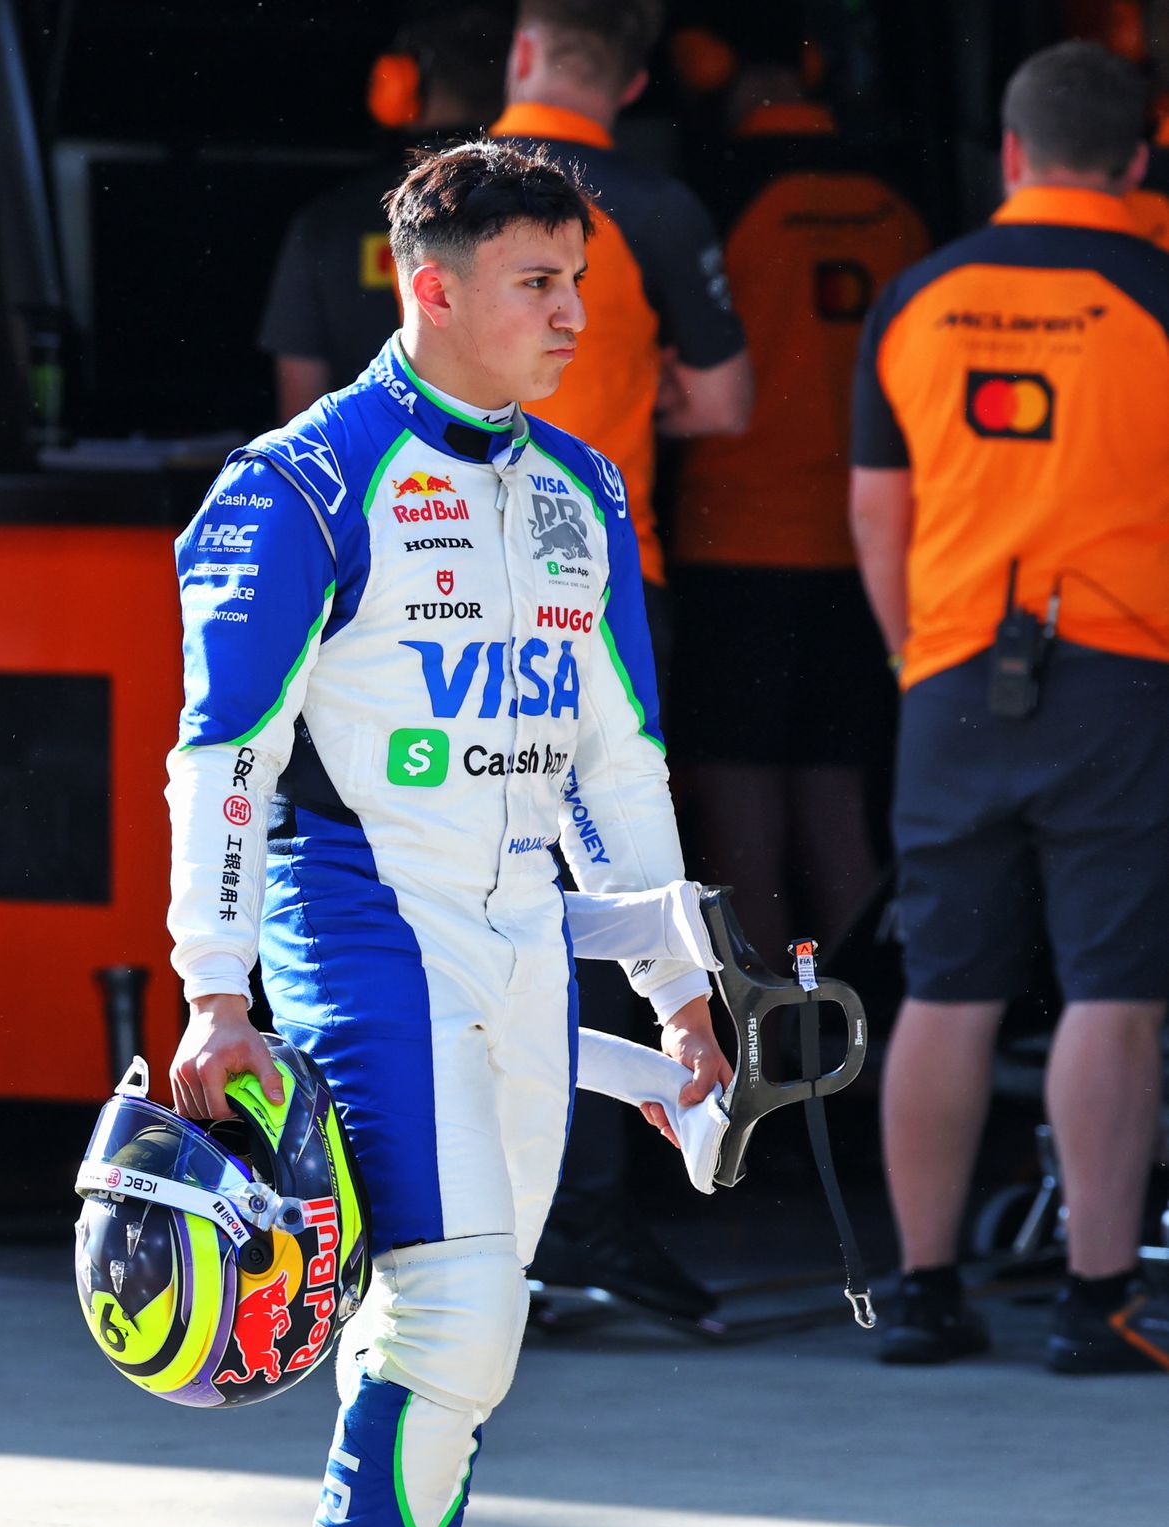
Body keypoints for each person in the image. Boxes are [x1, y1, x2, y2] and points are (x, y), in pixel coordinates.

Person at [165, 139, 731, 1527]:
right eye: (537, 283)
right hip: (362, 928)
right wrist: (212, 990)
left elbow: (618, 763)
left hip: (523, 943)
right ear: (431, 286)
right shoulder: (299, 485)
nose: (573, 315)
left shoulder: (580, 486)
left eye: (579, 281)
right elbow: (221, 757)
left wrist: (681, 990)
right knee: (455, 1322)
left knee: (461, 1348)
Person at [850, 39, 1169, 1375]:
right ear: (1139, 160)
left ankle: (921, 1290)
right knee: (1114, 989)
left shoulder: (918, 297)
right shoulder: (1152, 292)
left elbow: (878, 510)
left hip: (950, 676)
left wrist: (913, 658)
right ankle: (1094, 1300)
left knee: (945, 986)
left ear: (1012, 153)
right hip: (1121, 675)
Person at [491, 0, 751, 1324]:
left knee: (461, 883)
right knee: (598, 880)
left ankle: (477, 1211)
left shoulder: (434, 207)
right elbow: (727, 400)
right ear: (638, 80)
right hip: (593, 582)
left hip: (429, 584)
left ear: (522, 52)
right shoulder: (647, 207)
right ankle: (583, 1207)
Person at [670, 18, 927, 972]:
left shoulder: (717, 193)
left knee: (738, 800)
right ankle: (860, 1022)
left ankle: (767, 1037)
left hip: (736, 533)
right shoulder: (897, 198)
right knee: (837, 798)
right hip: (865, 542)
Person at [256, 6, 509, 420]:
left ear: (399, 85)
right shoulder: (556, 219)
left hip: (365, 462)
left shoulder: (325, 224)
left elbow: (299, 418)